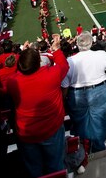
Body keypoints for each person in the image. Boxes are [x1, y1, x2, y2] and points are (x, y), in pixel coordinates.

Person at [6, 34, 69, 177]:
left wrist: (24, 55)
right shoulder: (51, 74)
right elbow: (64, 65)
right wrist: (56, 49)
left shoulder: (12, 82)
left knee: (34, 169)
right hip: (51, 129)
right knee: (55, 165)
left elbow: (17, 74)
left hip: (26, 132)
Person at [62, 31, 106, 153]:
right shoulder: (101, 55)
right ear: (91, 43)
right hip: (99, 90)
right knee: (101, 120)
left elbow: (65, 84)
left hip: (76, 93)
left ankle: (84, 149)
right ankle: (97, 145)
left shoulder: (69, 61)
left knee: (80, 121)